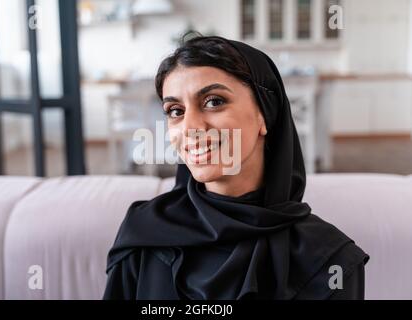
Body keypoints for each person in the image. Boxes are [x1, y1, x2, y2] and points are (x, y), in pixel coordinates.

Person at [102, 34, 369, 300]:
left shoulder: (331, 261)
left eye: (214, 102)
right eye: (175, 110)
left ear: (265, 114)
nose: (190, 127)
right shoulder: (144, 232)